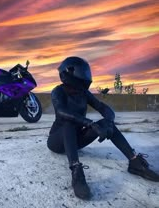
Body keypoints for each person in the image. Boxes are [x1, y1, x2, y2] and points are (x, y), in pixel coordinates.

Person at [47, 57, 159, 200]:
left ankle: (134, 162)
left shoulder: (83, 93)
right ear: (68, 73)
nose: (85, 76)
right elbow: (62, 112)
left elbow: (103, 108)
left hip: (77, 140)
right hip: (57, 141)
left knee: (108, 124)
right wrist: (90, 123)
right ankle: (76, 171)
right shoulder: (58, 91)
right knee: (68, 123)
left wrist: (107, 123)